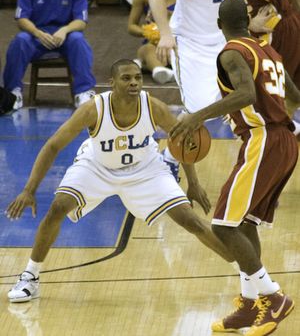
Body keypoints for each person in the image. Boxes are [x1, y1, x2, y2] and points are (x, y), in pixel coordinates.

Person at [6, 58, 233, 303]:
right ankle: (31, 276)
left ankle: (248, 274)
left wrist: (194, 183)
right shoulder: (93, 109)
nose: (134, 82)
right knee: (58, 207)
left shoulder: (153, 106)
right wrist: (29, 190)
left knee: (191, 221)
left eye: (138, 77)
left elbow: (182, 141)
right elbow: (52, 146)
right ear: (112, 83)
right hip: (97, 165)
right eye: (127, 78)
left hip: (145, 168)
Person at [170, 0, 299, 336]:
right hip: (283, 139)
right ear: (248, 20)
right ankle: (249, 303)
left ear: (218, 25)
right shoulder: (268, 52)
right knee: (243, 223)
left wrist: (198, 115)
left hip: (263, 140)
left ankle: (272, 297)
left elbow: (246, 96)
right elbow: (294, 95)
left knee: (224, 225)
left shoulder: (232, 52)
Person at [149, 0, 252, 170]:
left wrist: (253, 21)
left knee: (246, 98)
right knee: (198, 111)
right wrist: (165, 34)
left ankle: (255, 159)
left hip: (225, 42)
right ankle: (167, 160)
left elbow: (237, 0)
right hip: (191, 43)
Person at [2, 0, 96, 109]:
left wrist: (65, 30)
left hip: (64, 38)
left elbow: (81, 21)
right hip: (37, 37)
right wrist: (38, 33)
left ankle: (83, 92)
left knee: (78, 40)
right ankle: (13, 92)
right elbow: (22, 18)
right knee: (20, 41)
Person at [128, 0, 182, 84]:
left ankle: (145, 64)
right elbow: (131, 26)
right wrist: (148, 32)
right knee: (146, 49)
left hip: (181, 43)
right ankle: (160, 71)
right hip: (154, 45)